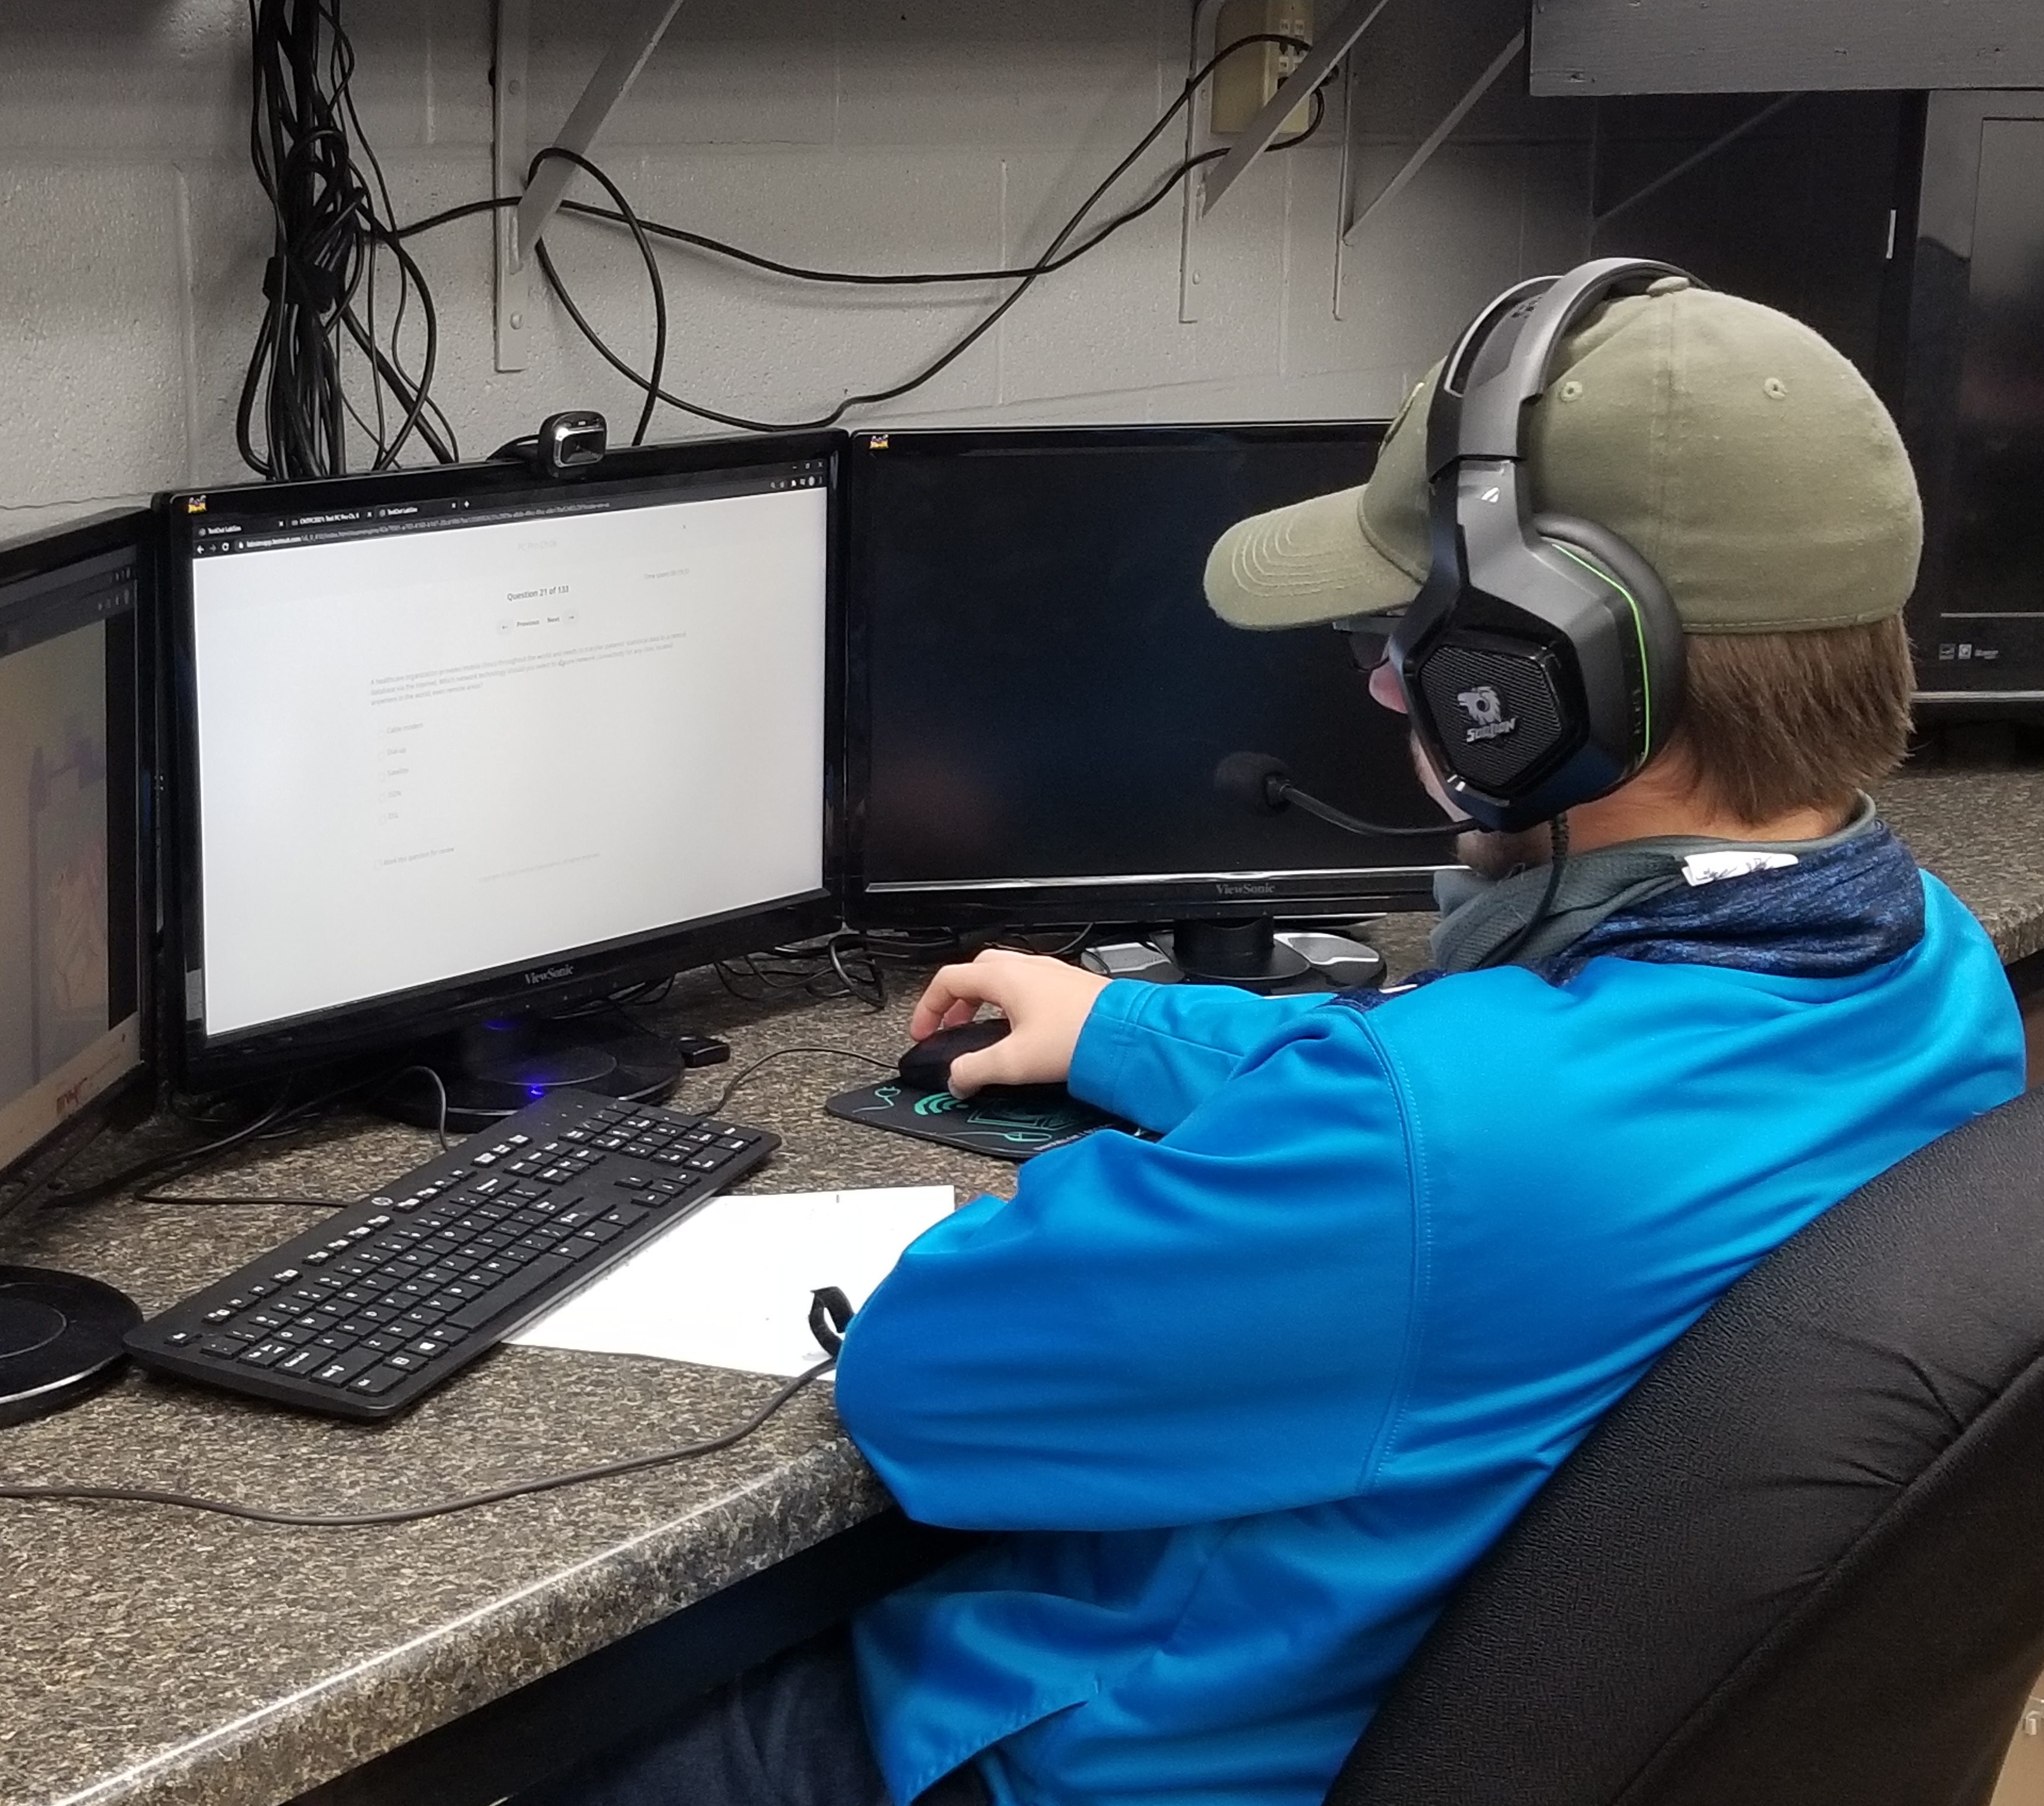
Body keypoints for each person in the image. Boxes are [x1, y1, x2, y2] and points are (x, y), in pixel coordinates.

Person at [516, 274, 2024, 1806]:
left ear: (1527, 682)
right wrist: (1122, 1022)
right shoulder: (1929, 968)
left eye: (1404, 633)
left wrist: (1129, 1189)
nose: (1384, 679)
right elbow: (1484, 1100)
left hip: (1139, 1761)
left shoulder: (1411, 1142)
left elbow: (929, 1383)